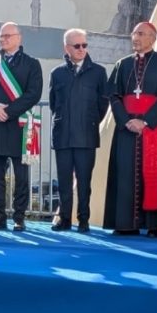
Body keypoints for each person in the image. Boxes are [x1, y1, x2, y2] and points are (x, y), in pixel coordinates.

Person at [103, 21, 157, 237]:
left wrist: (145, 121)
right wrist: (126, 120)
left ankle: (153, 224)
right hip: (126, 126)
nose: (135, 38)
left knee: (154, 173)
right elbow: (114, 95)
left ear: (152, 38)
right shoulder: (122, 64)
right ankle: (125, 223)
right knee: (124, 173)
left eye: (141, 34)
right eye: (134, 34)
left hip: (153, 127)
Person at [0, 22, 43, 231]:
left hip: (20, 127)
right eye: (1, 36)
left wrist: (9, 111)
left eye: (8, 36)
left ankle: (20, 216)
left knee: (22, 176)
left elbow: (34, 93)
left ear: (19, 38)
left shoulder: (32, 64)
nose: (4, 39)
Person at [49, 28, 107, 233]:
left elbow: (103, 104)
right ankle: (64, 219)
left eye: (84, 45)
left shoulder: (98, 72)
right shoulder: (57, 73)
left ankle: (83, 220)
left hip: (86, 135)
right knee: (64, 181)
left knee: (84, 182)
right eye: (77, 46)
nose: (82, 49)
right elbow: (54, 103)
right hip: (63, 134)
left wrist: (89, 121)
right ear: (67, 48)